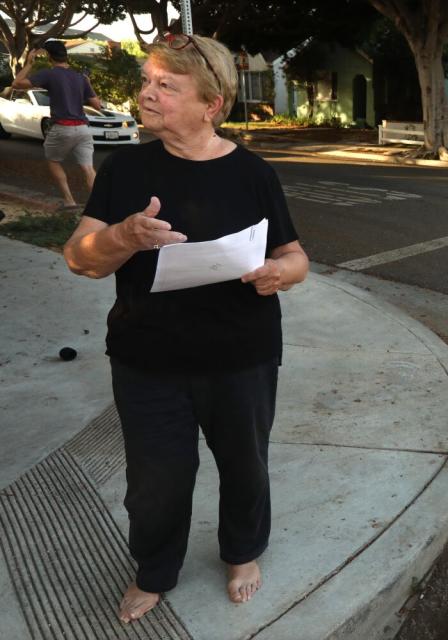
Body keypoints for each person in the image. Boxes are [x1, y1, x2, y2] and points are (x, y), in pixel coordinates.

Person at [61, 33, 308, 624]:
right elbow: (78, 258)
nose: (147, 93)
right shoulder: (126, 168)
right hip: (148, 360)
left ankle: (243, 553)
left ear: (211, 105)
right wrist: (123, 237)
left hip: (242, 355)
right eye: (147, 81)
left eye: (165, 86)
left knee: (246, 464)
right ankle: (154, 570)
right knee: (155, 480)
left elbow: (297, 255)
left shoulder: (253, 173)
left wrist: (281, 272)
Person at [11, 40, 100, 208]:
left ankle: (69, 201)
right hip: (83, 129)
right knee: (88, 168)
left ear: (49, 57)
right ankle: (99, 207)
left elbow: (17, 84)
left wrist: (29, 63)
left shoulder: (49, 74)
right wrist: (87, 83)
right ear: (65, 56)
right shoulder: (80, 77)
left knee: (53, 160)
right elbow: (97, 105)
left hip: (63, 127)